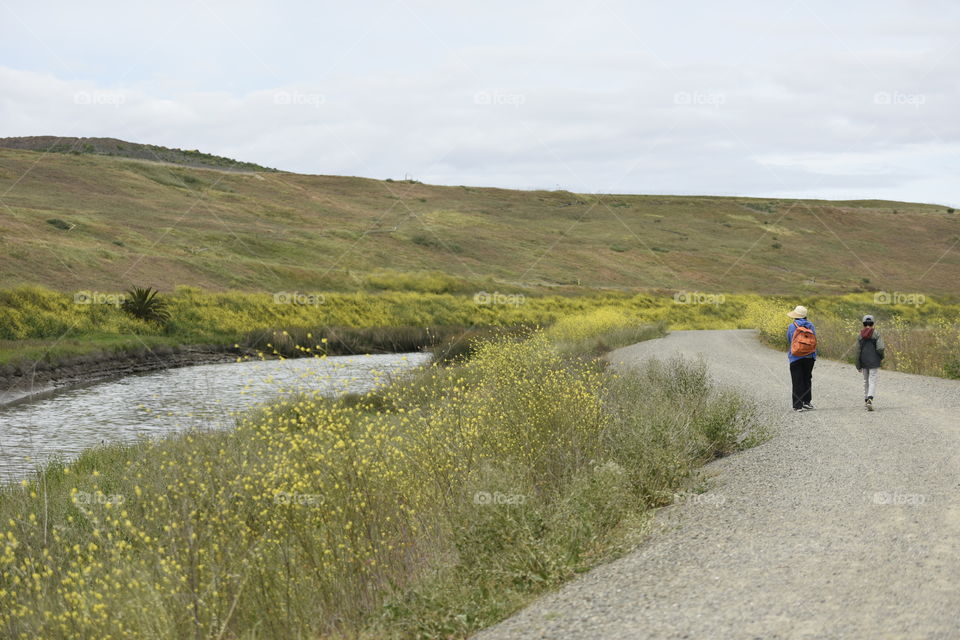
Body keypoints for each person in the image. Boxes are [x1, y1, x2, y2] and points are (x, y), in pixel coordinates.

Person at [786, 305, 817, 412]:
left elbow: (790, 340)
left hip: (795, 357)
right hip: (809, 356)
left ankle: (797, 405)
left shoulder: (792, 326)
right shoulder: (811, 325)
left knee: (797, 380)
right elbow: (814, 340)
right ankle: (806, 402)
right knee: (806, 379)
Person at [855, 314, 885, 411]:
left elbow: (857, 351)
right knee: (872, 380)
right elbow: (880, 347)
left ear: (863, 323)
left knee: (865, 381)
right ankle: (870, 398)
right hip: (874, 361)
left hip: (863, 361)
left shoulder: (860, 335)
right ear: (872, 323)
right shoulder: (876, 333)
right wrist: (880, 356)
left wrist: (858, 364)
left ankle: (866, 399)